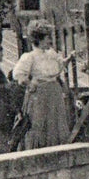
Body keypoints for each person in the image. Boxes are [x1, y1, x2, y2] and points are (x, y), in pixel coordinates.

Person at [12, 20, 75, 149]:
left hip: (54, 92)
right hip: (39, 95)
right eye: (47, 39)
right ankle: (36, 151)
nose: (50, 41)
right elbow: (18, 74)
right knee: (38, 123)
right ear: (39, 40)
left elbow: (59, 66)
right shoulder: (30, 57)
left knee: (56, 123)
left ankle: (56, 151)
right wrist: (30, 84)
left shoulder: (51, 54)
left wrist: (68, 59)